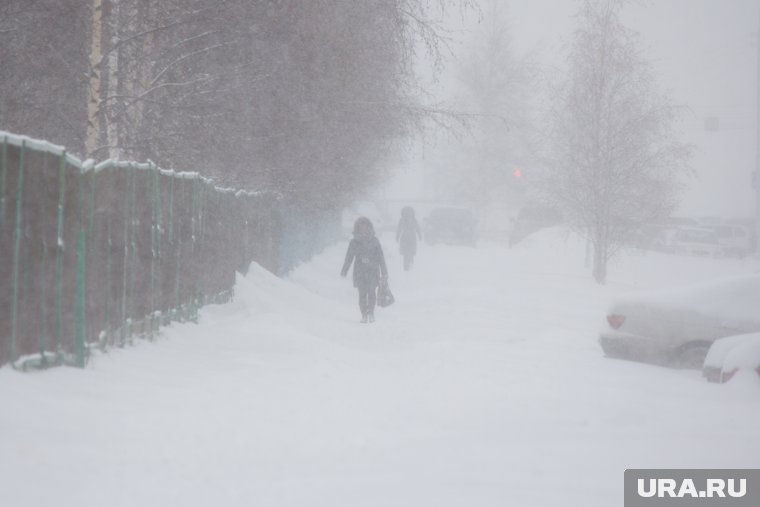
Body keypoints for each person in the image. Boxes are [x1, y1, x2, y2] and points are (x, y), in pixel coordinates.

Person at [341, 217, 388, 323]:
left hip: (373, 271)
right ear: (357, 228)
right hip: (359, 272)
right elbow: (349, 257)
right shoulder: (354, 242)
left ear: (369, 228)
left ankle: (371, 313)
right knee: (362, 294)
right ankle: (363, 315)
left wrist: (384, 272)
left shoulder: (375, 241)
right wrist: (344, 270)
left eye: (365, 227)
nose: (363, 229)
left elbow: (381, 257)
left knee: (371, 293)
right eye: (361, 227)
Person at [396, 206, 422, 271]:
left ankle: (406, 265)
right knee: (411, 251)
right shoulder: (414, 220)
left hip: (404, 237)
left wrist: (397, 236)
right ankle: (411, 262)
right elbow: (418, 228)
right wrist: (420, 236)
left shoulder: (402, 220)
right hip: (412, 238)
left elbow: (399, 229)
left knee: (405, 252)